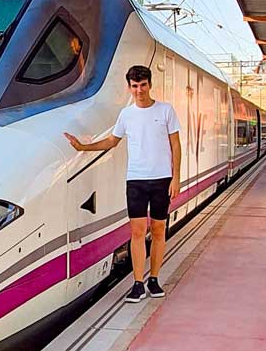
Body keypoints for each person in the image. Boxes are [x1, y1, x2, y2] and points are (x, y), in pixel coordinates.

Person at [64, 65, 181, 303]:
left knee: (158, 229)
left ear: (150, 84)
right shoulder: (126, 115)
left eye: (143, 85)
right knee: (137, 232)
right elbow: (111, 141)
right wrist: (83, 147)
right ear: (129, 87)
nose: (139, 90)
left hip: (161, 179)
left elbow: (176, 145)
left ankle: (154, 279)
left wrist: (176, 177)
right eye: (135, 86)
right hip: (136, 180)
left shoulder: (166, 110)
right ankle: (138, 283)